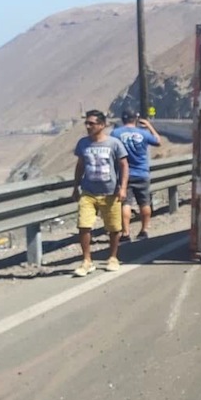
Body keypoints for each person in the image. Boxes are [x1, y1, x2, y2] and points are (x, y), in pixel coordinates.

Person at [72, 109, 128, 277]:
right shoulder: (83, 143)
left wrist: (123, 187)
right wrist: (75, 186)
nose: (88, 126)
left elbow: (124, 165)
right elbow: (80, 165)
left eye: (92, 123)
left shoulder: (114, 143)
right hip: (88, 191)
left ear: (102, 125)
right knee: (84, 226)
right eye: (86, 123)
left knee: (113, 228)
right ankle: (87, 261)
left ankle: (112, 257)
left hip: (110, 192)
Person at [112, 107, 161, 241]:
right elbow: (158, 141)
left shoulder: (115, 133)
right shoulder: (143, 133)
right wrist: (150, 126)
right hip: (142, 173)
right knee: (144, 203)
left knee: (125, 204)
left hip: (124, 175)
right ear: (136, 119)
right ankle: (144, 230)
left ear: (123, 119)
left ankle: (126, 233)